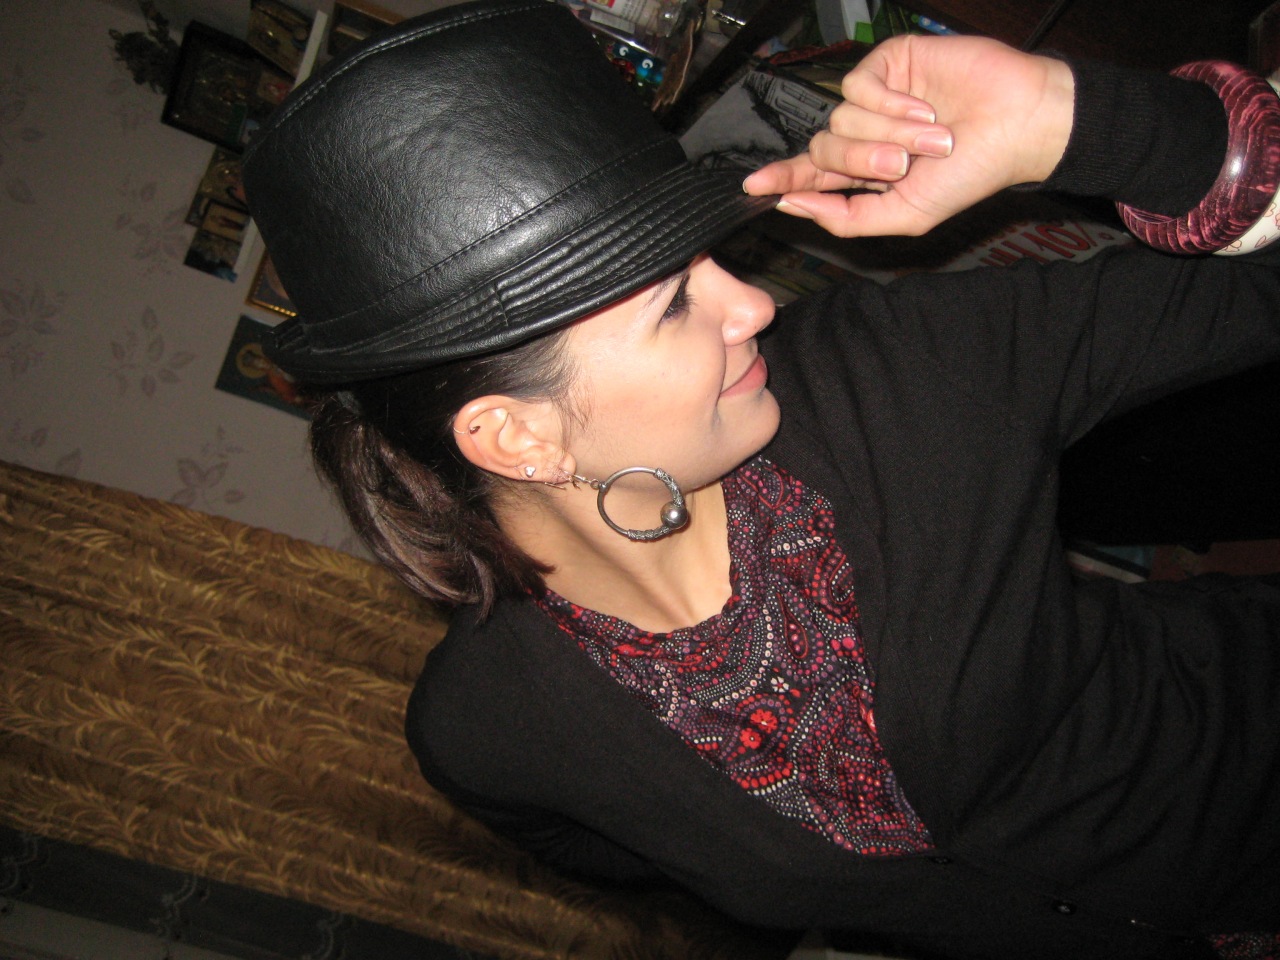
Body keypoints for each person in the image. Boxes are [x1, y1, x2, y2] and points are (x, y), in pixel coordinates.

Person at [241, 1, 1280, 957]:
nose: (753, 306)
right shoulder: (483, 734)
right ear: (516, 437)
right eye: (672, 305)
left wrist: (1073, 119)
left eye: (710, 262)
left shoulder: (897, 372)